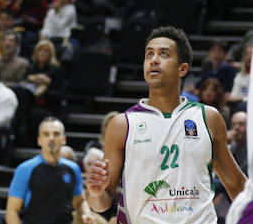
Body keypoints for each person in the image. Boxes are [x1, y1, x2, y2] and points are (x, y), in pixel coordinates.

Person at [86, 26, 246, 224]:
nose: (154, 59)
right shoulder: (123, 125)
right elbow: (101, 203)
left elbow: (236, 183)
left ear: (183, 68)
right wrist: (95, 192)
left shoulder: (208, 118)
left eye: (164, 54)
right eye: (149, 54)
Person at [6, 118, 93, 224]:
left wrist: (86, 213)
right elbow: (12, 211)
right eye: (46, 134)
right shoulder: (25, 169)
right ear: (39, 140)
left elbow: (80, 200)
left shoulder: (73, 168)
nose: (51, 138)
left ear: (64, 139)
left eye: (56, 134)